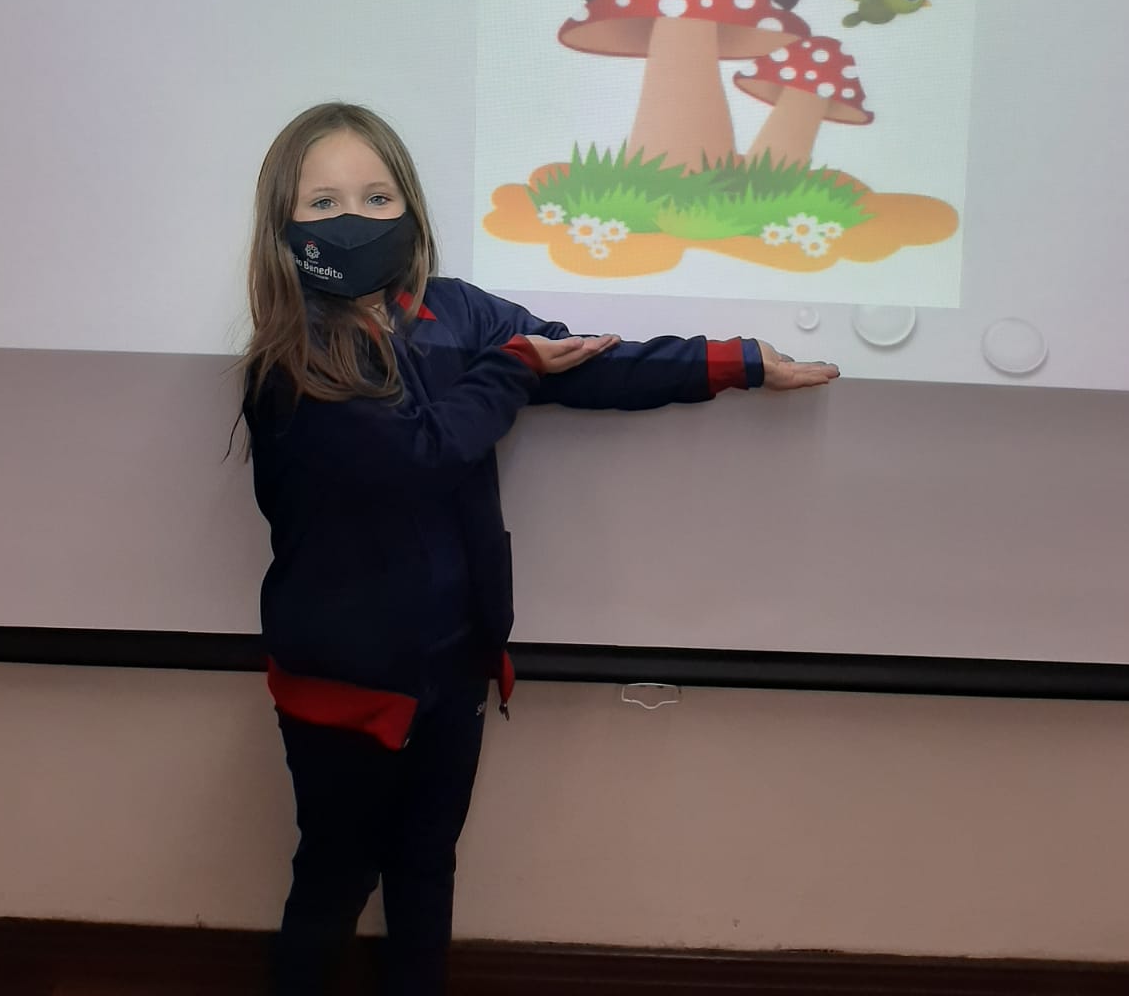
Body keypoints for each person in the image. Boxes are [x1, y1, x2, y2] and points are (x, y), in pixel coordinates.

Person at [239, 100, 839, 996]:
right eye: (324, 204)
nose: (355, 219)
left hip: (454, 666)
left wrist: (734, 362)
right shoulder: (289, 362)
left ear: (410, 207)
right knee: (334, 876)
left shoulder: (457, 314)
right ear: (283, 226)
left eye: (377, 196)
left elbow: (580, 361)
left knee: (427, 868)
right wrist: (512, 368)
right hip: (344, 684)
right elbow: (420, 456)